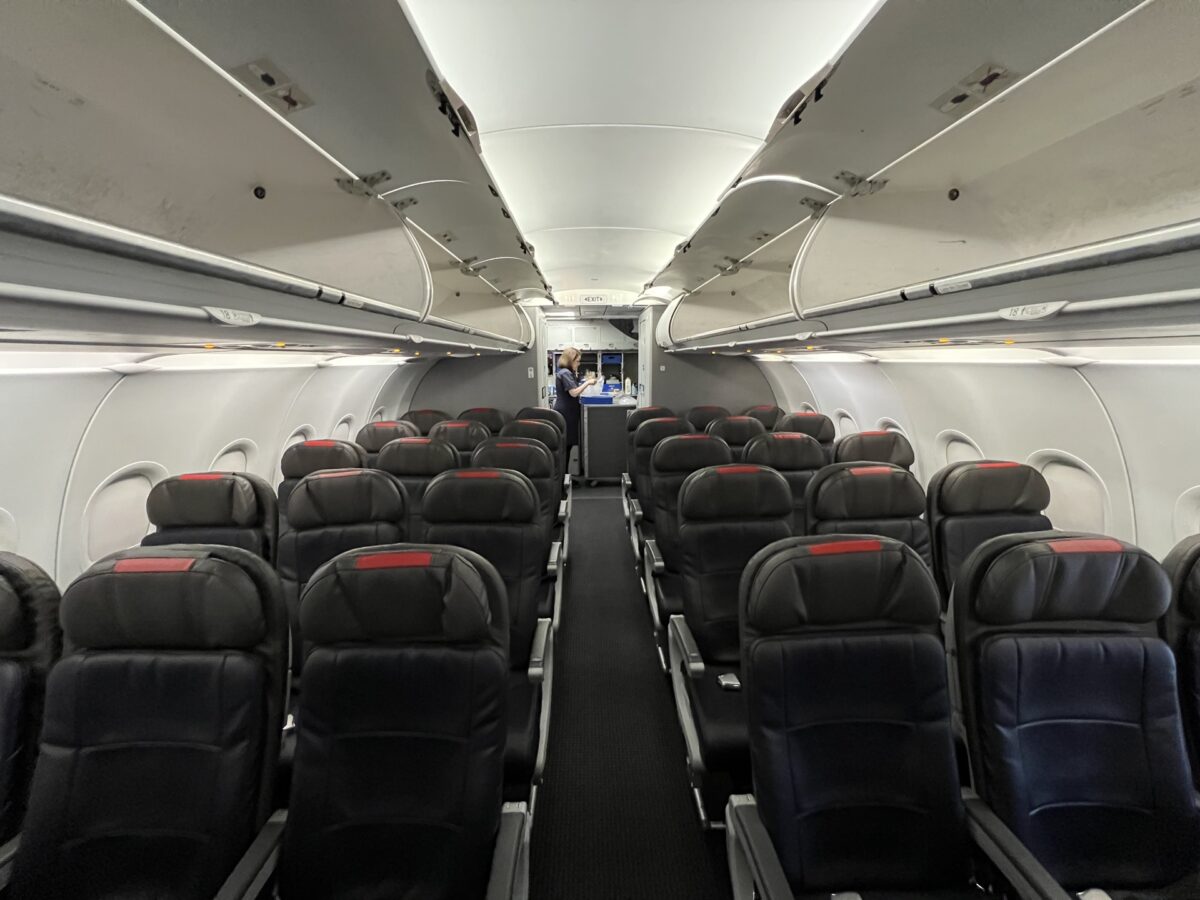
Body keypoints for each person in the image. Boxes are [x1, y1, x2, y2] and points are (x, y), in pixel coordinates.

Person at [553, 347, 597, 469]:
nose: (579, 364)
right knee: (565, 447)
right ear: (570, 360)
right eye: (577, 361)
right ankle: (563, 477)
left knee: (567, 446)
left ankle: (565, 475)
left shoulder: (566, 372)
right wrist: (587, 383)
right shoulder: (565, 373)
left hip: (568, 413)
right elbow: (573, 393)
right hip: (565, 414)